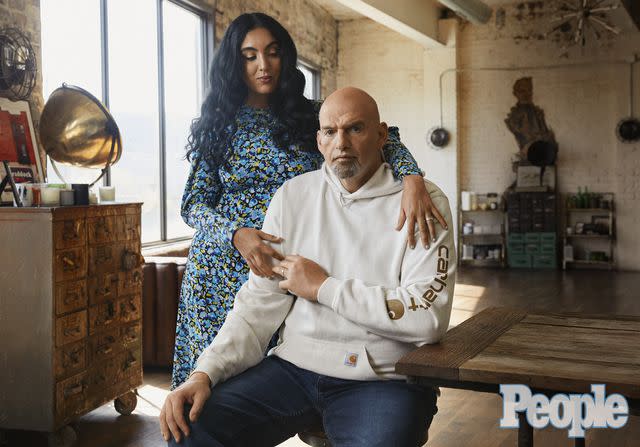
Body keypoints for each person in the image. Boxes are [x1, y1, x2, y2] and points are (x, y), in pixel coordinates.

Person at [160, 87, 456, 447]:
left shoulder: (423, 202)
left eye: (355, 129)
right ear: (318, 140)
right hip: (293, 370)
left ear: (382, 135)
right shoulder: (292, 196)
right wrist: (204, 374)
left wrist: (323, 288)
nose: (341, 143)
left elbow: (426, 320)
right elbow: (257, 308)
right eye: (330, 132)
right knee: (190, 428)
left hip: (383, 380)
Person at [172, 11, 448, 390]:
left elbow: (385, 136)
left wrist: (412, 178)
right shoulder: (217, 123)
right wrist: (236, 234)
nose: (263, 65)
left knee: (292, 369)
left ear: (286, 56)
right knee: (217, 384)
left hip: (289, 258)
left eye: (272, 52)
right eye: (249, 55)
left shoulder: (309, 115)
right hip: (223, 268)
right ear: (233, 63)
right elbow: (194, 203)